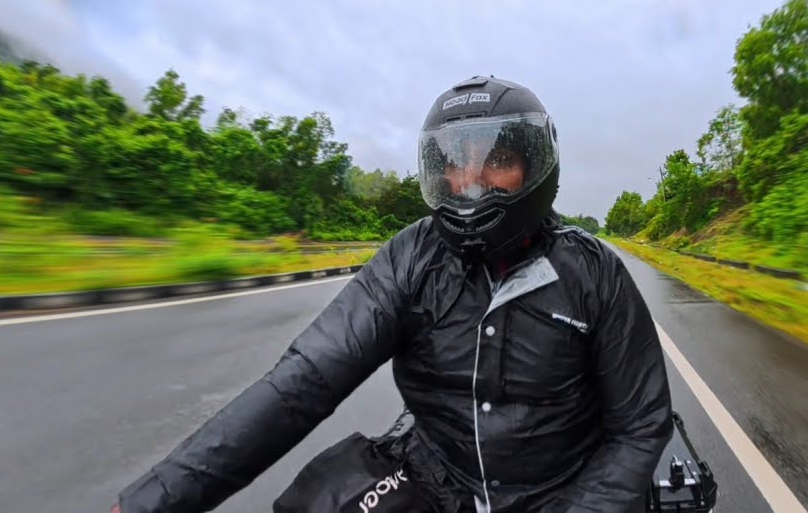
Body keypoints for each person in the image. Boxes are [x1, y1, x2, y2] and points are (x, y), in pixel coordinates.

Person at [110, 75, 674, 513]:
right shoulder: (411, 258)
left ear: (535, 165)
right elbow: (303, 381)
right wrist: (153, 502)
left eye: (496, 160)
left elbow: (639, 425)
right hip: (436, 476)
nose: (469, 182)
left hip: (562, 487)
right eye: (455, 163)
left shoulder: (594, 273)